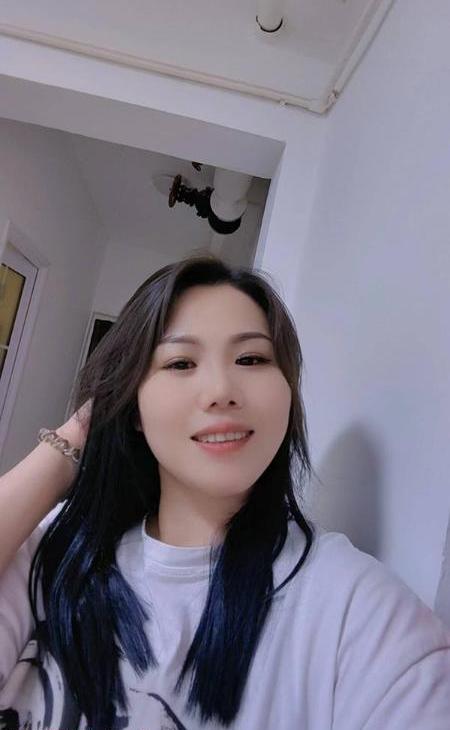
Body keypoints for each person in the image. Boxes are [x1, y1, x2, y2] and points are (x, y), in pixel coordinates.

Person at [0, 255, 449, 730]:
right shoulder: (56, 549)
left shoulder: (357, 610)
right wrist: (73, 440)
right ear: (133, 406)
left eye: (251, 359)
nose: (220, 389)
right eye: (180, 363)